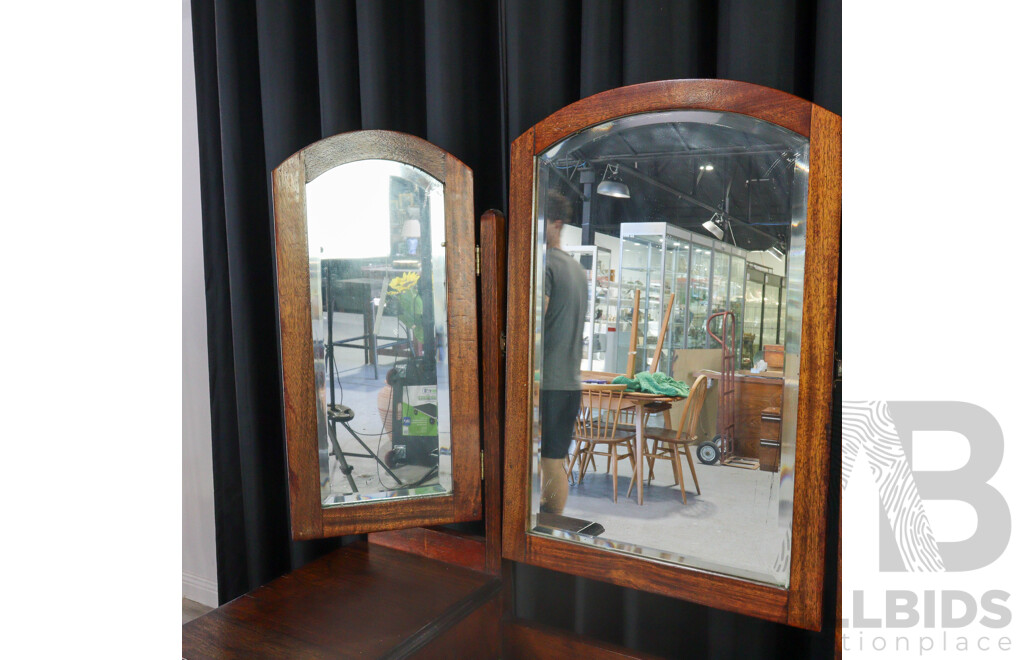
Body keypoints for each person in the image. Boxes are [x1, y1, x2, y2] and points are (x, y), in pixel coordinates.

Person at [539, 192, 588, 514]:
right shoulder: (577, 270)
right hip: (568, 383)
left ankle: (545, 534)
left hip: (547, 383)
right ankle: (549, 533)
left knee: (550, 464)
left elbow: (533, 325)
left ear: (556, 224)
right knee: (553, 461)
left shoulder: (545, 265)